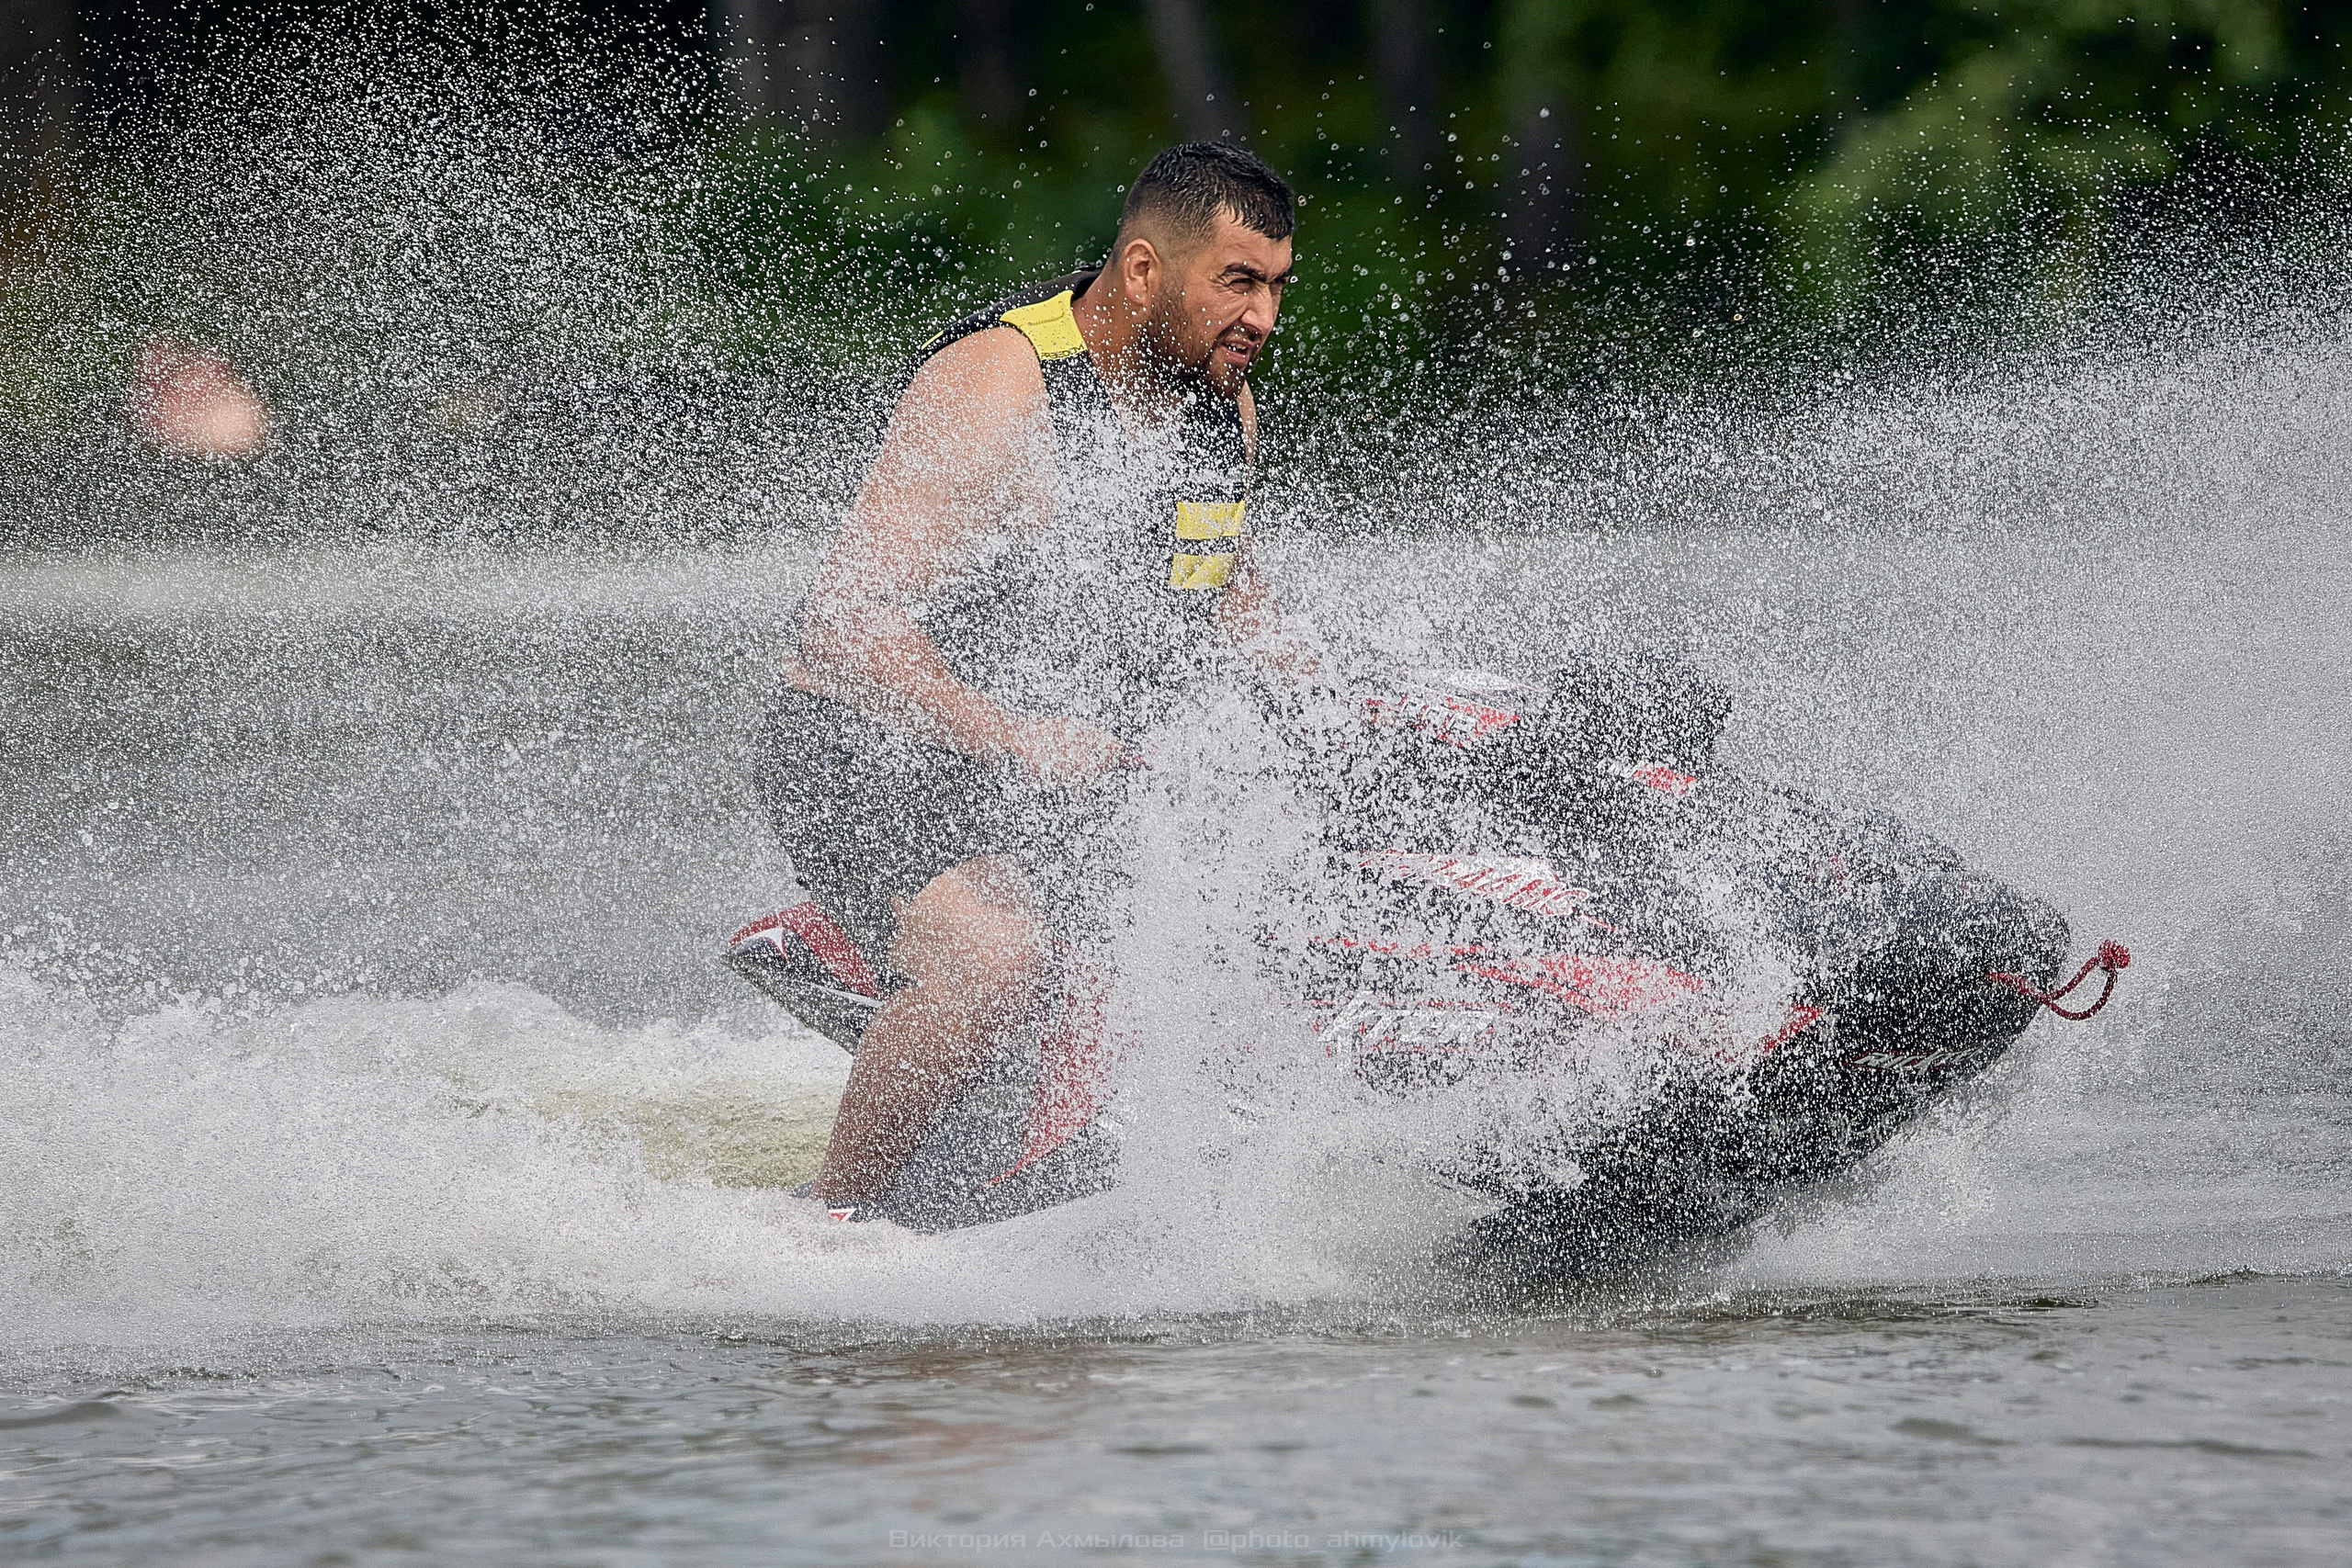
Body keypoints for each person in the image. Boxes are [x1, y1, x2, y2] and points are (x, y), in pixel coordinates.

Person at [756, 141, 1306, 1214]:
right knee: (996, 959)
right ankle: (829, 1225)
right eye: (1237, 282)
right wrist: (1006, 732)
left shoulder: (1217, 405)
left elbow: (1224, 594)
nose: (1262, 319)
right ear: (1144, 271)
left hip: (1053, 768)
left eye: (1277, 287)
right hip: (868, 743)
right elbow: (847, 623)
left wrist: (1338, 694)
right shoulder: (998, 383)